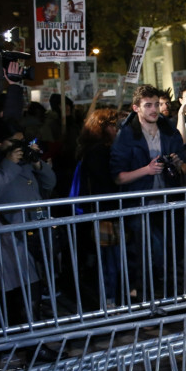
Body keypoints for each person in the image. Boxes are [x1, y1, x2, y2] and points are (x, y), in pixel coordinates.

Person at [0, 118, 56, 331]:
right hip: (6, 236)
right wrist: (9, 163)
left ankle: (31, 342)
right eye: (14, 142)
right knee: (15, 292)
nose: (19, 147)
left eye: (21, 142)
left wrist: (37, 162)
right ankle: (22, 344)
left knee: (33, 288)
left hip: (33, 230)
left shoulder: (23, 160)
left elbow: (50, 183)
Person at [109, 85, 186, 299]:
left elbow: (183, 159)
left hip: (169, 200)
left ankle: (169, 299)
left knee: (170, 254)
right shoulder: (126, 135)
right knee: (148, 255)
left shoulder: (168, 129)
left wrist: (178, 163)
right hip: (140, 204)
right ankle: (145, 300)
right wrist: (147, 170)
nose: (154, 109)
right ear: (136, 108)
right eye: (148, 105)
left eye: (156, 104)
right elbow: (118, 176)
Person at [76, 108, 120, 306]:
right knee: (109, 260)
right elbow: (109, 180)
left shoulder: (96, 150)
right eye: (113, 125)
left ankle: (112, 299)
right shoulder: (98, 152)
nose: (117, 128)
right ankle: (109, 301)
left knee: (111, 259)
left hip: (106, 211)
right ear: (102, 128)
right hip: (104, 212)